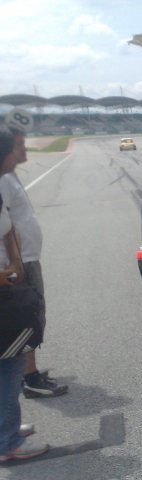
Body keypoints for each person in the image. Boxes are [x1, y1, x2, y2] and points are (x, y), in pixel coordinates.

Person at [0, 127, 68, 398]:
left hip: (24, 259)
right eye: (19, 146)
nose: (24, 150)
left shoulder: (9, 175)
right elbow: (6, 226)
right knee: (27, 317)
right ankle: (28, 377)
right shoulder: (3, 179)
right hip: (18, 263)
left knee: (28, 316)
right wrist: (14, 262)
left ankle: (23, 373)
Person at [0, 130, 49, 463]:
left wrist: (15, 260)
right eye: (14, 148)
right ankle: (7, 442)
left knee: (9, 360)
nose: (20, 153)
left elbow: (8, 228)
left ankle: (8, 429)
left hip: (9, 277)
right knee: (9, 361)